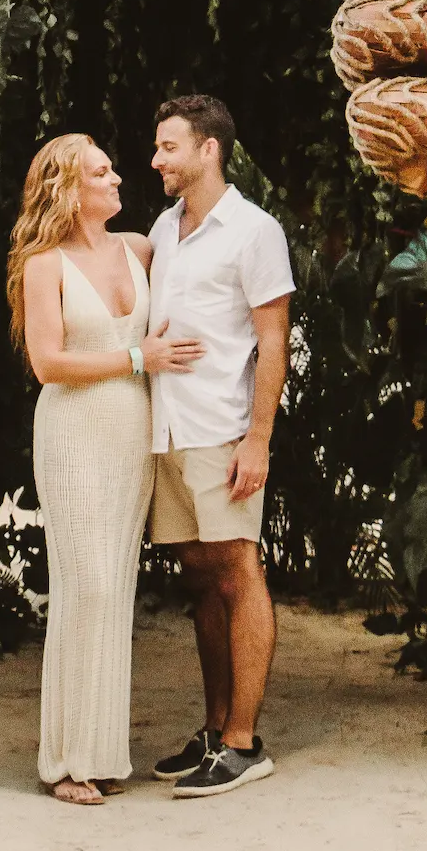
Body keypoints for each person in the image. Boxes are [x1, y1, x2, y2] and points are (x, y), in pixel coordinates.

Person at [8, 133, 204, 805]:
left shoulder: (140, 249)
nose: (117, 177)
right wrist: (136, 360)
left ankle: (100, 753)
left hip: (130, 437)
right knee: (85, 584)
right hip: (73, 432)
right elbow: (47, 364)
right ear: (70, 189)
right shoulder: (44, 264)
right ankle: (64, 761)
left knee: (115, 587)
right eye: (101, 171)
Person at [145, 96, 295, 797]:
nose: (156, 160)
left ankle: (244, 743)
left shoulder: (255, 231)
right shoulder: (164, 229)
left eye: (168, 147)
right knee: (200, 580)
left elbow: (273, 340)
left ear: (209, 150)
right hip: (168, 429)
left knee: (238, 571)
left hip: (222, 428)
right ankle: (213, 733)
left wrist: (257, 439)